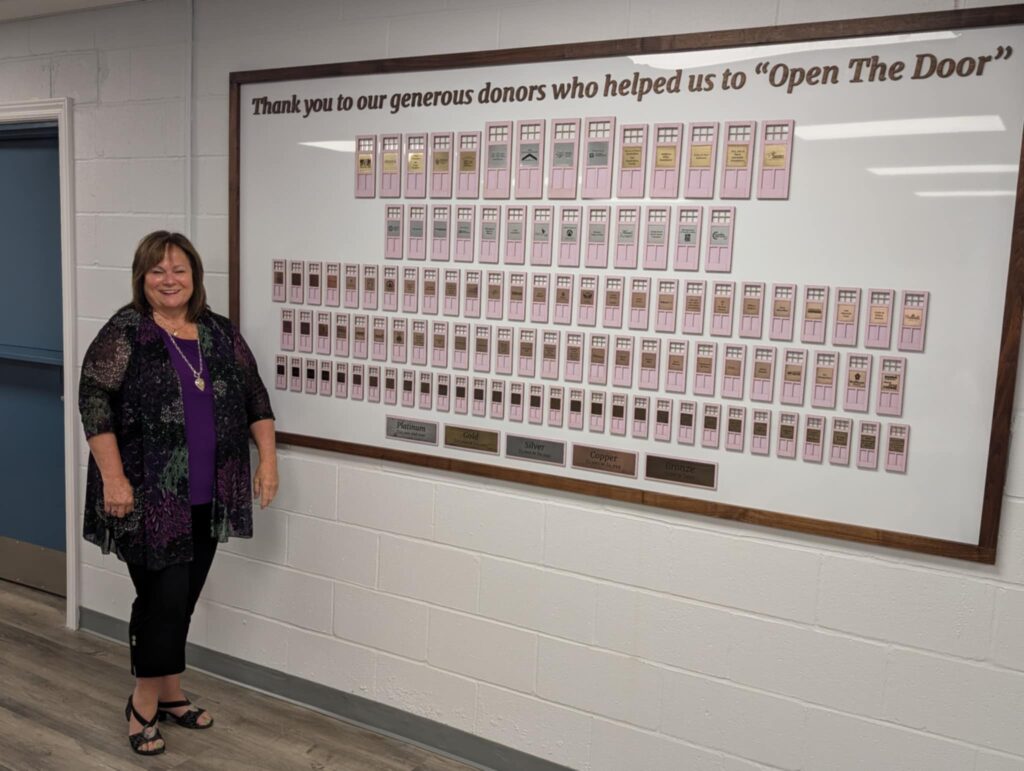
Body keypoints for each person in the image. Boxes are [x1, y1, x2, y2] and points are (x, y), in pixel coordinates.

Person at [79, 231, 278, 755]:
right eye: (157, 271)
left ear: (195, 277)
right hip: (145, 494)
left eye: (179, 270)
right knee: (163, 600)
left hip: (209, 494)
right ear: (142, 279)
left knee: (179, 599)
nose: (170, 280)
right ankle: (144, 702)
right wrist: (115, 479)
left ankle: (170, 693)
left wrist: (269, 463)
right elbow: (94, 401)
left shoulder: (217, 333)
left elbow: (255, 394)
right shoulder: (127, 332)